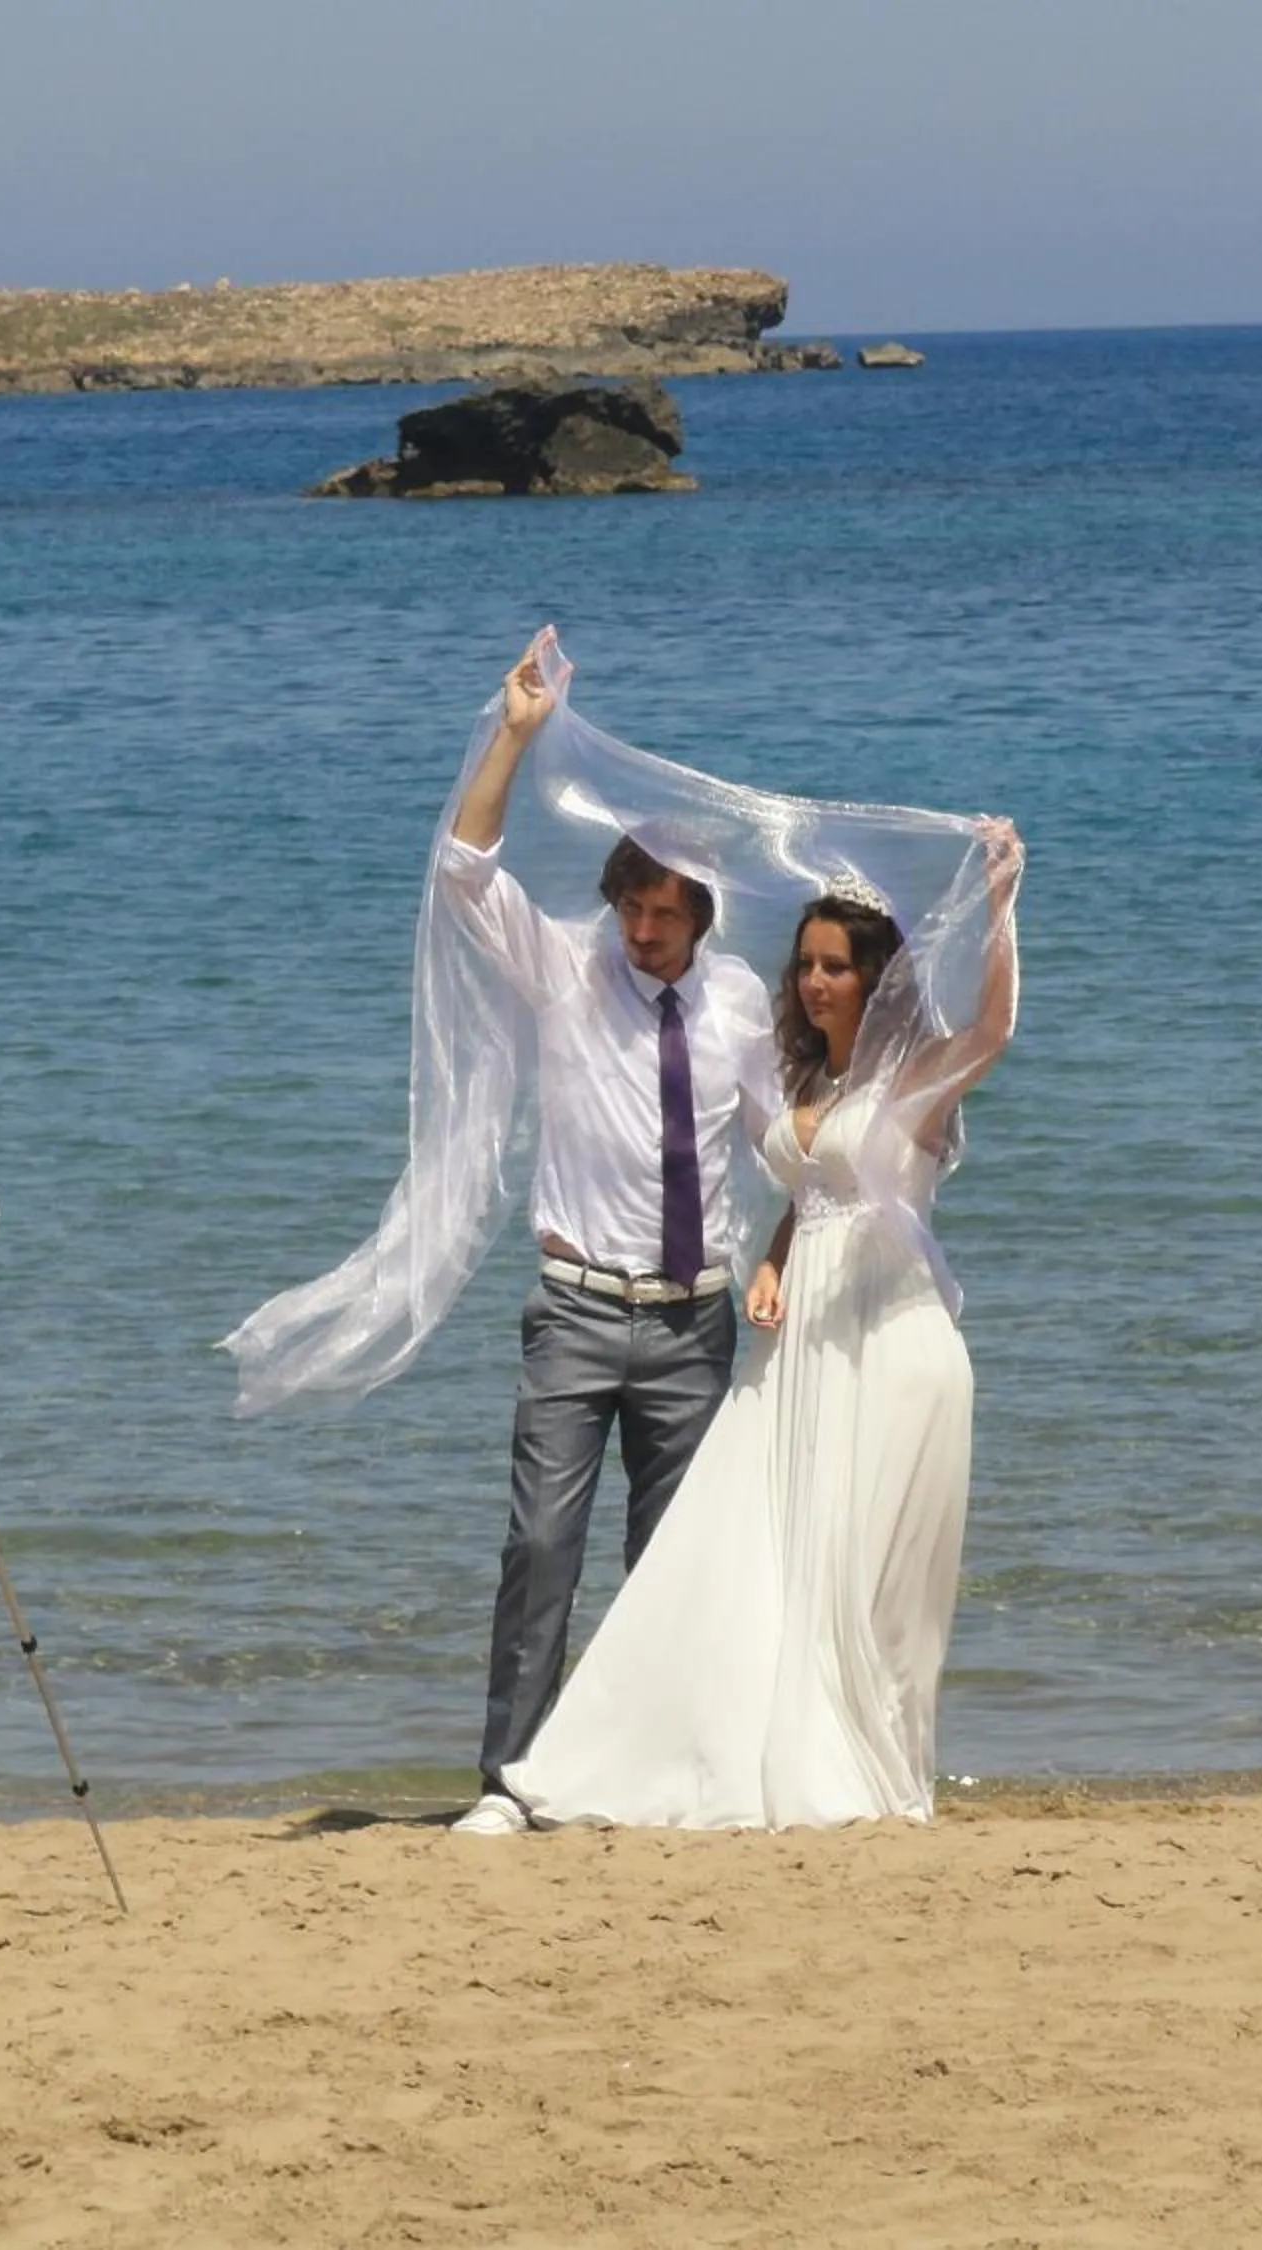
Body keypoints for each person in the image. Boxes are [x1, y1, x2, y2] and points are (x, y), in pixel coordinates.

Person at [502, 820, 1021, 1829]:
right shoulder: (808, 1081)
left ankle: (872, 1770)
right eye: (809, 964)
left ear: (878, 980)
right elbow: (816, 1194)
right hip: (796, 1351)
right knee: (761, 1554)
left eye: (839, 967)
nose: (818, 981)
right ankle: (698, 1752)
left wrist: (1002, 907)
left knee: (866, 1584)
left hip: (892, 1349)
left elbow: (993, 1030)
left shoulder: (914, 1086)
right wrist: (775, 1260)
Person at [435, 645, 784, 1837]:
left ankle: (654, 1777)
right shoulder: (565, 970)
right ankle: (511, 1783)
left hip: (697, 1322)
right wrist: (518, 731)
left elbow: (786, 1146)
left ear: (700, 919)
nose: (641, 931)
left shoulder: (738, 1001)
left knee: (676, 1571)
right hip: (578, 1312)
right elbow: (467, 869)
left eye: (663, 915)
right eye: (629, 908)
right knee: (540, 1549)